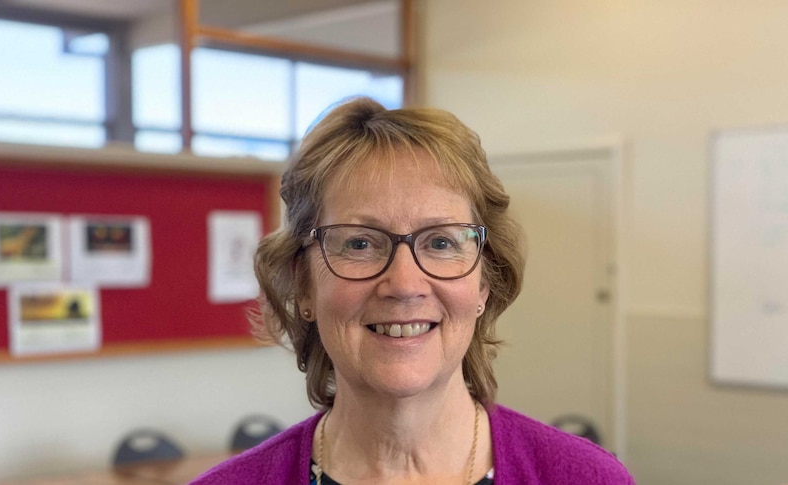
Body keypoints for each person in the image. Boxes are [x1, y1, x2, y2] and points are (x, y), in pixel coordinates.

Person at [192, 97, 634, 485]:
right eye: (359, 243)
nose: (404, 285)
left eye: (441, 242)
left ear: (484, 282)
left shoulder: (587, 478)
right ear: (303, 283)